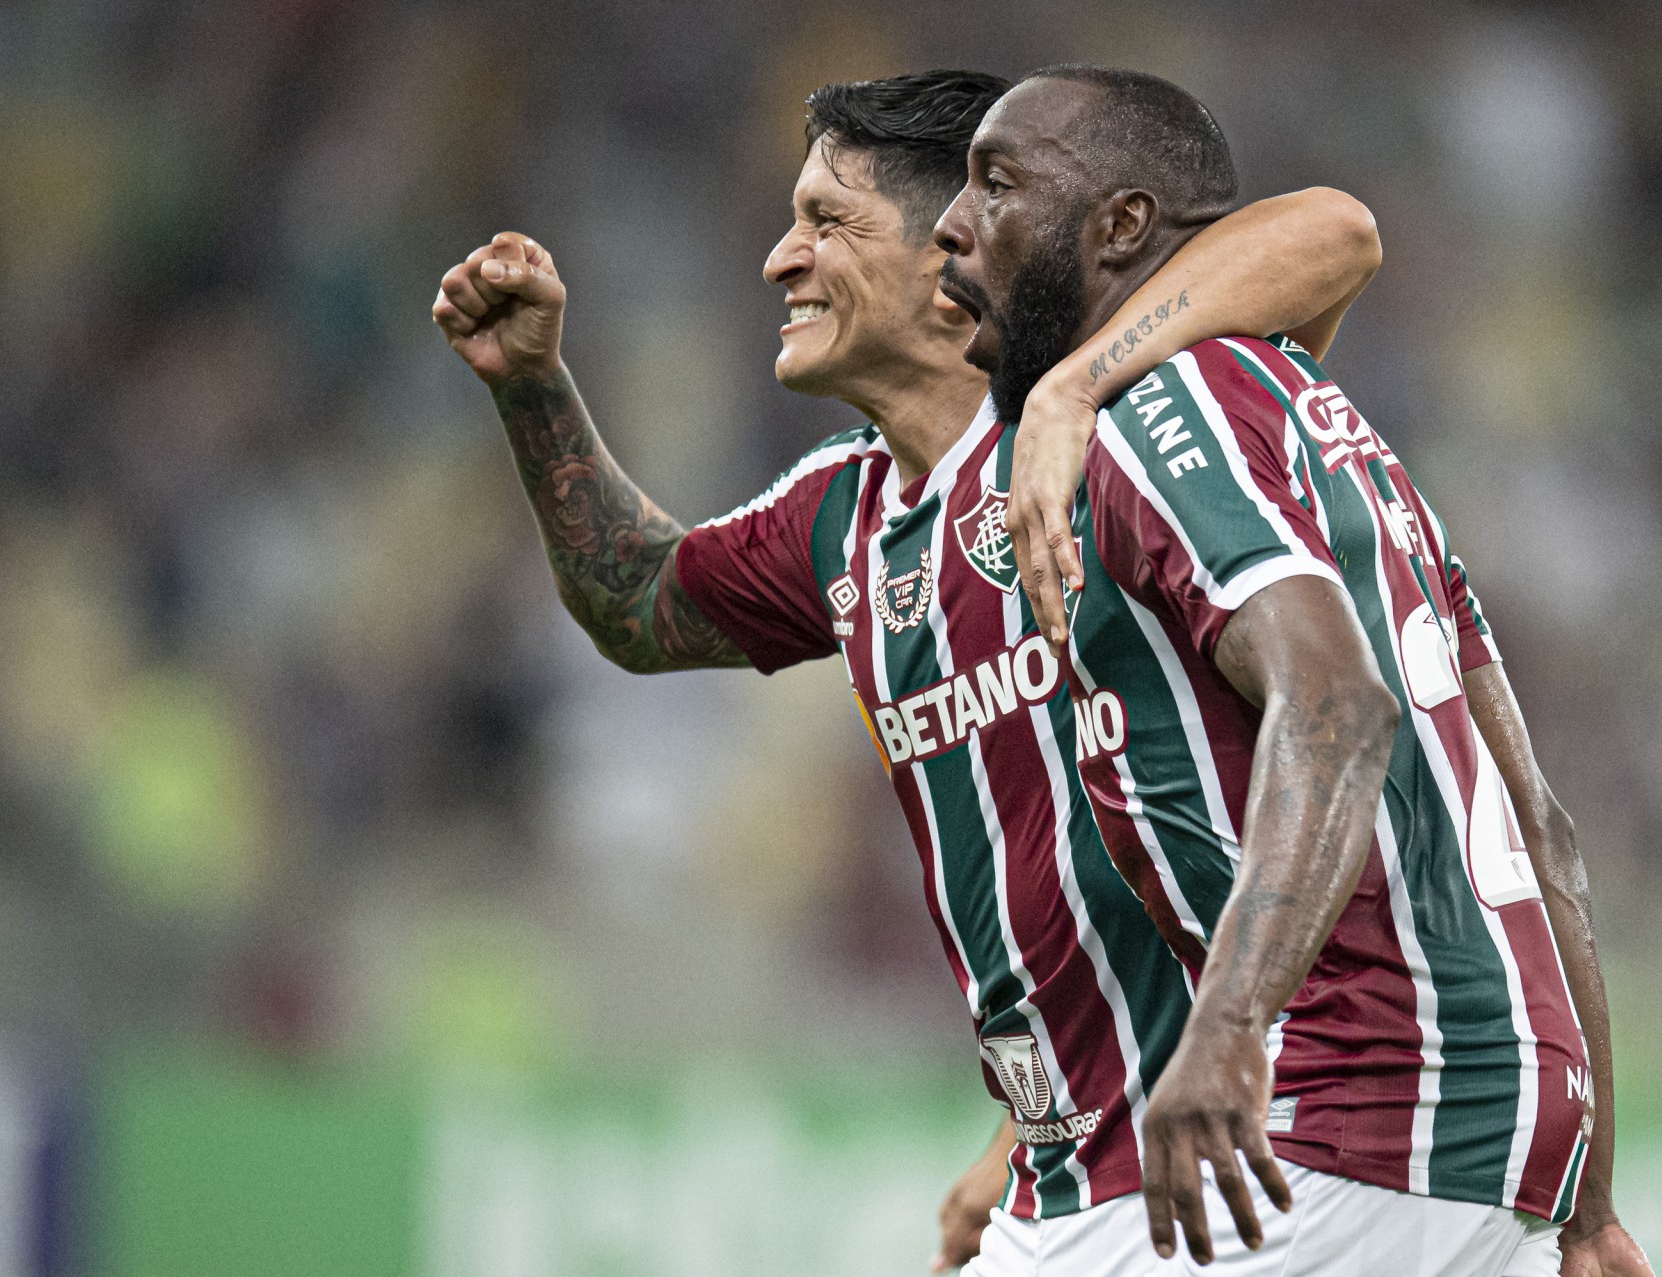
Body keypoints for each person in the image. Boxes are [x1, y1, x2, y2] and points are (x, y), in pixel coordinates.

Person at [431, 69, 1381, 1273]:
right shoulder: (848, 513)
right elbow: (636, 600)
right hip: (1069, 1167)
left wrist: (1083, 381)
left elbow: (1335, 235)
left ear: (954, 254)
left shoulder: (1119, 411)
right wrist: (531, 385)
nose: (782, 259)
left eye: (828, 222)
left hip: (1252, 1147)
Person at [934, 66, 1653, 1276]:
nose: (959, 221)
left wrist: (1222, 1032)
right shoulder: (1324, 425)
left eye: (997, 182)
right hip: (1473, 1119)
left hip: (1367, 1104)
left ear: (1119, 226)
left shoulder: (1170, 407)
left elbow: (1337, 702)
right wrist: (1589, 1207)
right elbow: (1541, 830)